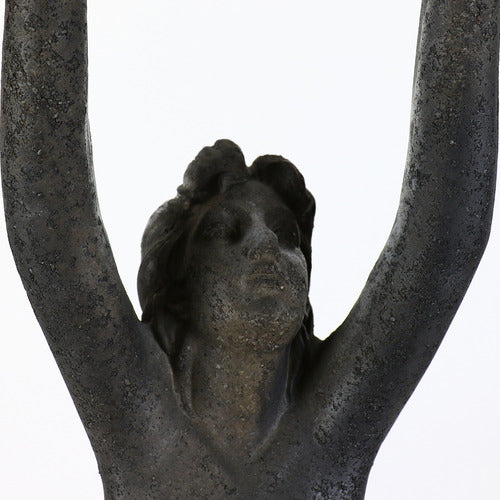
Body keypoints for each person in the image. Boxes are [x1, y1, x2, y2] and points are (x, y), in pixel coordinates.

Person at [1, 1, 498, 498]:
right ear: (179, 281)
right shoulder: (139, 413)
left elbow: (442, 232)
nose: (266, 244)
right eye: (227, 232)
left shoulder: (333, 425)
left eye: (287, 235)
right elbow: (47, 204)